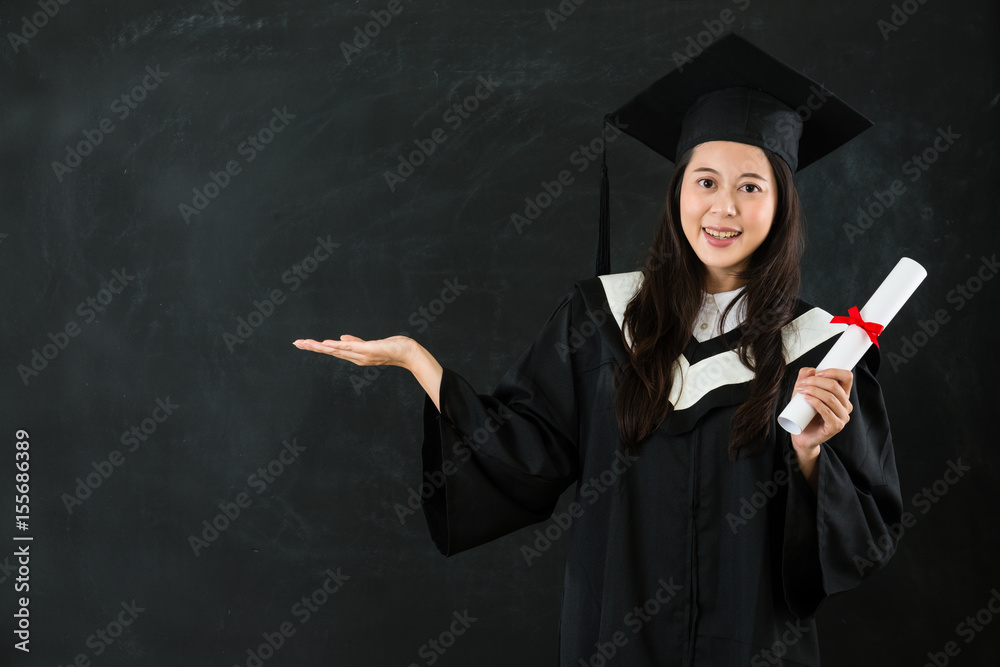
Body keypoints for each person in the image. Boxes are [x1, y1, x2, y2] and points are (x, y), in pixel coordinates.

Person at [294, 34, 902, 666]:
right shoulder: (600, 317)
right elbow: (526, 453)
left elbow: (861, 542)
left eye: (751, 187)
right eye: (706, 181)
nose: (723, 207)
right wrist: (421, 364)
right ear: (678, 193)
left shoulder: (825, 350)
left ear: (781, 206)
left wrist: (809, 456)